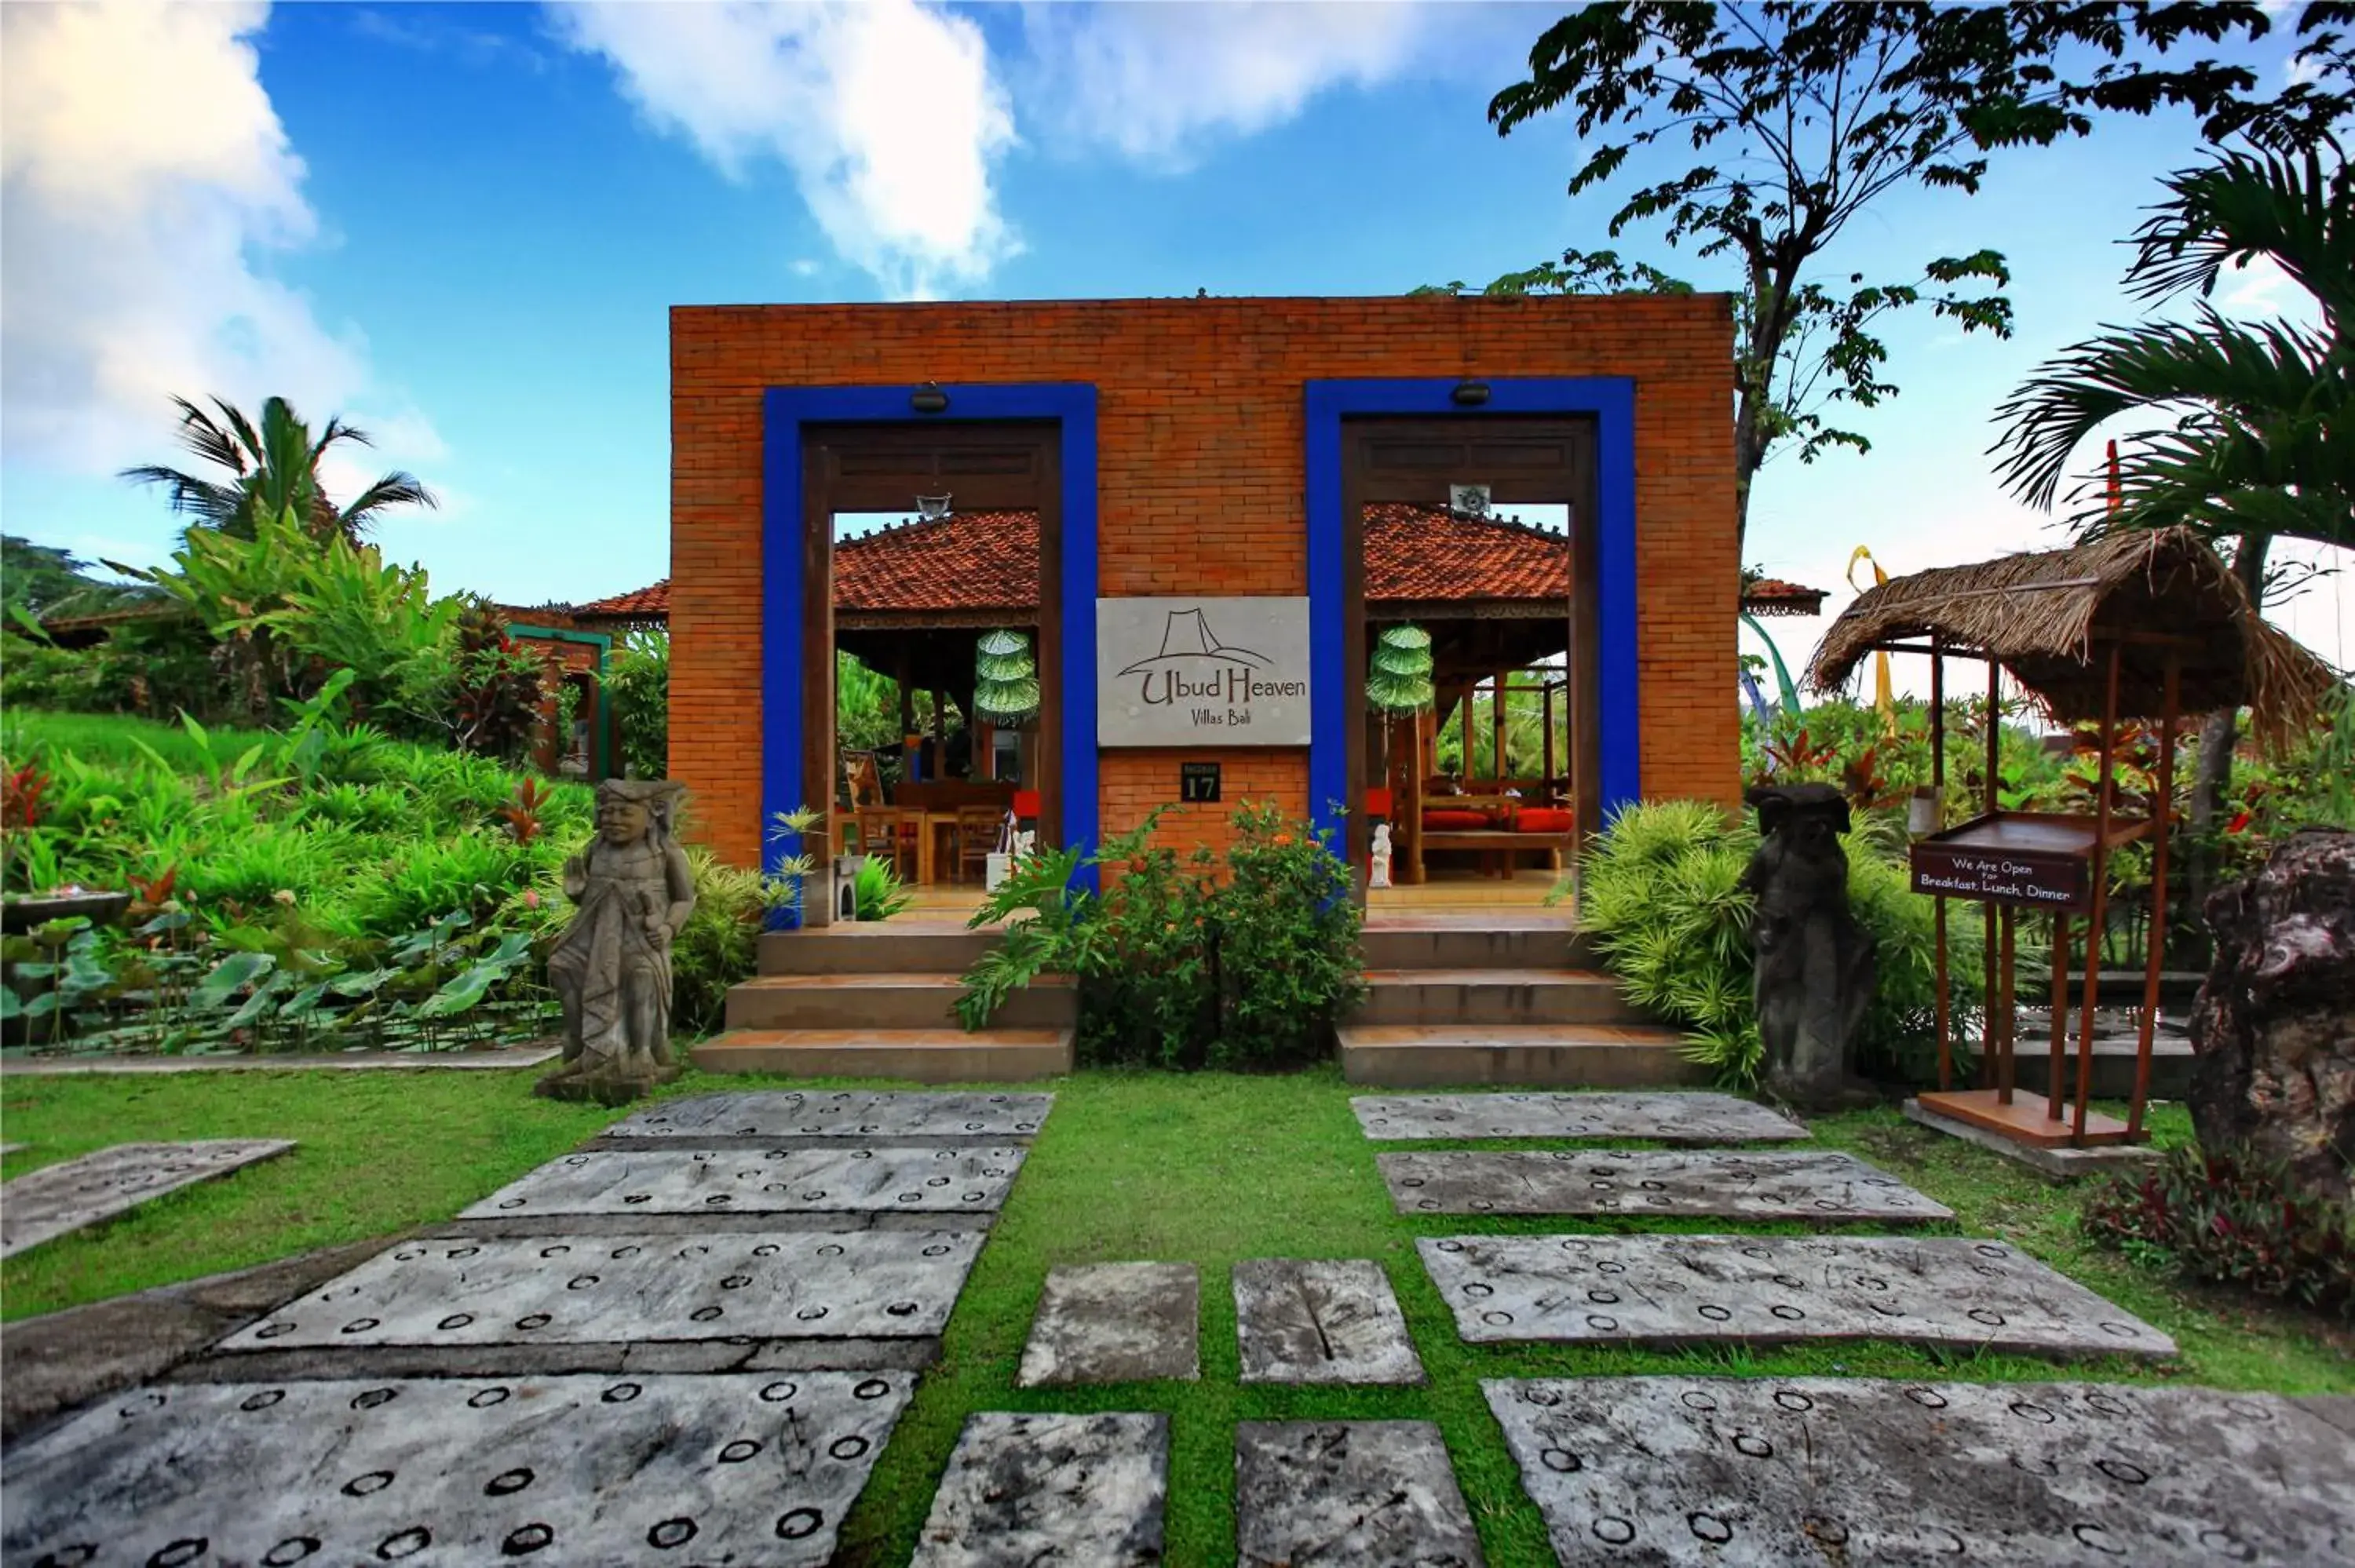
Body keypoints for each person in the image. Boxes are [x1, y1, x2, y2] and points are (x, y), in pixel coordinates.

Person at [543, 779, 696, 1090]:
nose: (613, 820)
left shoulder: (664, 853)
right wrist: (576, 891)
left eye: (625, 813)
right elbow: (584, 895)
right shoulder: (596, 849)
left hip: (639, 935)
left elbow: (685, 899)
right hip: (594, 933)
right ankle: (584, 1043)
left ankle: (641, 1050)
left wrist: (668, 928)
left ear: (652, 815)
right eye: (607, 812)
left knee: (640, 974)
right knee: (562, 966)